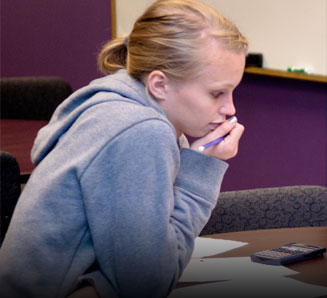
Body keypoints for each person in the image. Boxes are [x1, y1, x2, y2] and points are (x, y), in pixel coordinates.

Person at [0, 0, 247, 297]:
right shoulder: (141, 130)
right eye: (217, 93)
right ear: (159, 84)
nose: (230, 109)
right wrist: (201, 173)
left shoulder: (119, 104)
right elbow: (145, 285)